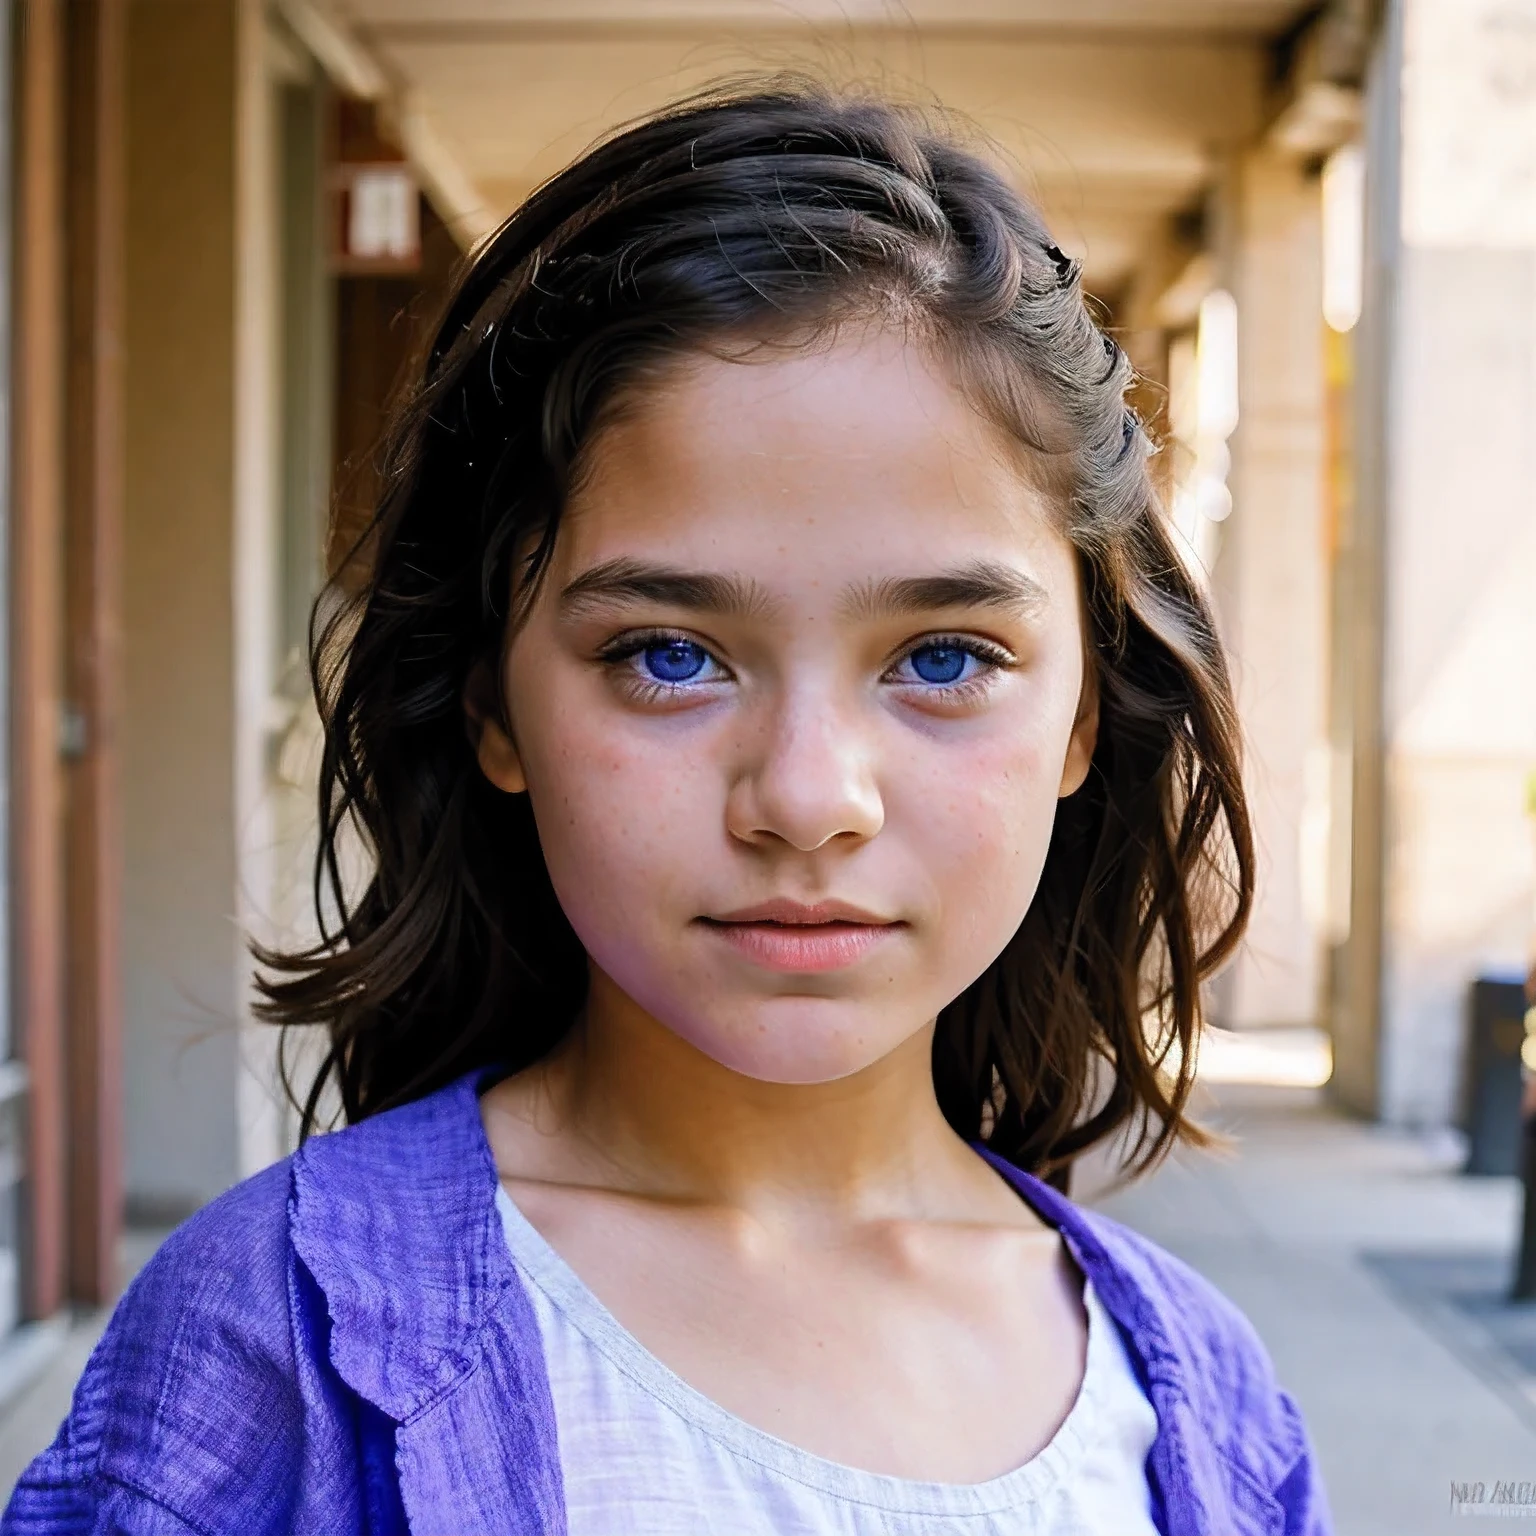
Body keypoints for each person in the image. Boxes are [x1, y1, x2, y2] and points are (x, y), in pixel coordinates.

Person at [5, 82, 1331, 1535]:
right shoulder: (270, 1351)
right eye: (668, 656)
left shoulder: (1204, 1410)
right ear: (494, 708)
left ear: (1084, 714)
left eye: (945, 658)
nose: (809, 798)